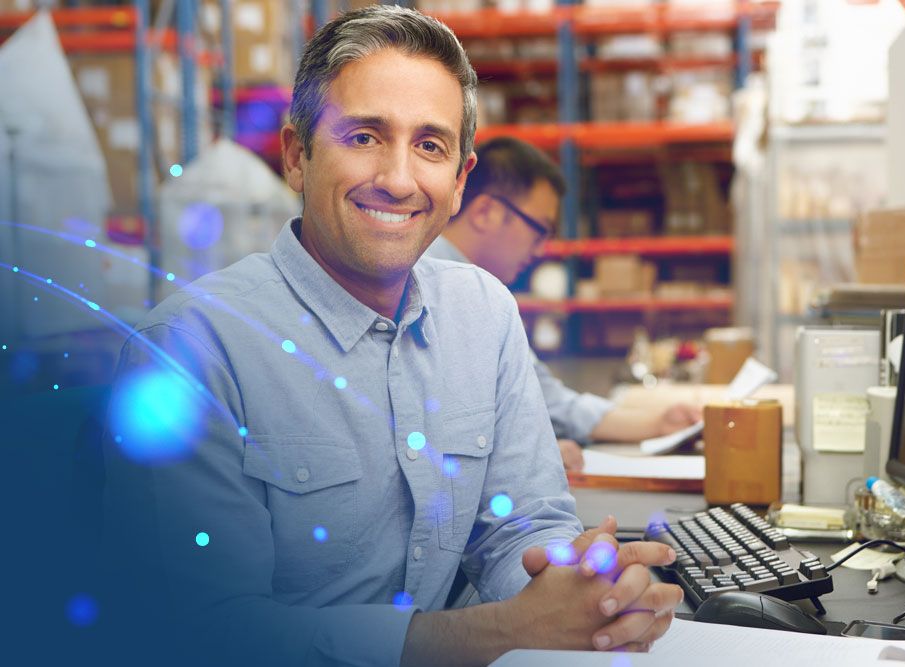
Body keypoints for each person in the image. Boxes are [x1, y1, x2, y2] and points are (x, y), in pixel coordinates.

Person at [100, 7, 681, 666]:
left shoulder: (484, 312)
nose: (398, 179)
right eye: (364, 136)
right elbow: (211, 635)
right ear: (297, 156)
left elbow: (522, 523)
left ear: (460, 182)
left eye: (430, 146)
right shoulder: (188, 351)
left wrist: (581, 593)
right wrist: (505, 629)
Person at [424, 137, 703, 471]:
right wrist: (523, 455)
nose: (540, 249)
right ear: (485, 212)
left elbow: (543, 398)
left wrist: (657, 424)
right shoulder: (438, 286)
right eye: (539, 229)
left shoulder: (478, 293)